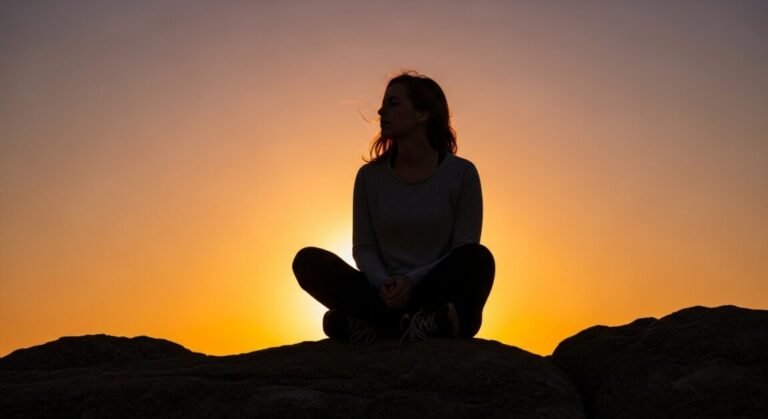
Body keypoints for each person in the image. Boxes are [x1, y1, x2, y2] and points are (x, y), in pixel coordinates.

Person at [292, 70, 495, 345]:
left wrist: (411, 283)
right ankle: (415, 324)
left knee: (478, 259)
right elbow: (363, 247)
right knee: (307, 261)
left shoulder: (462, 174)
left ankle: (374, 324)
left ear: (422, 115)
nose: (381, 110)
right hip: (380, 290)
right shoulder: (369, 177)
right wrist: (383, 283)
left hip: (431, 288)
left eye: (393, 103)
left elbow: (462, 248)